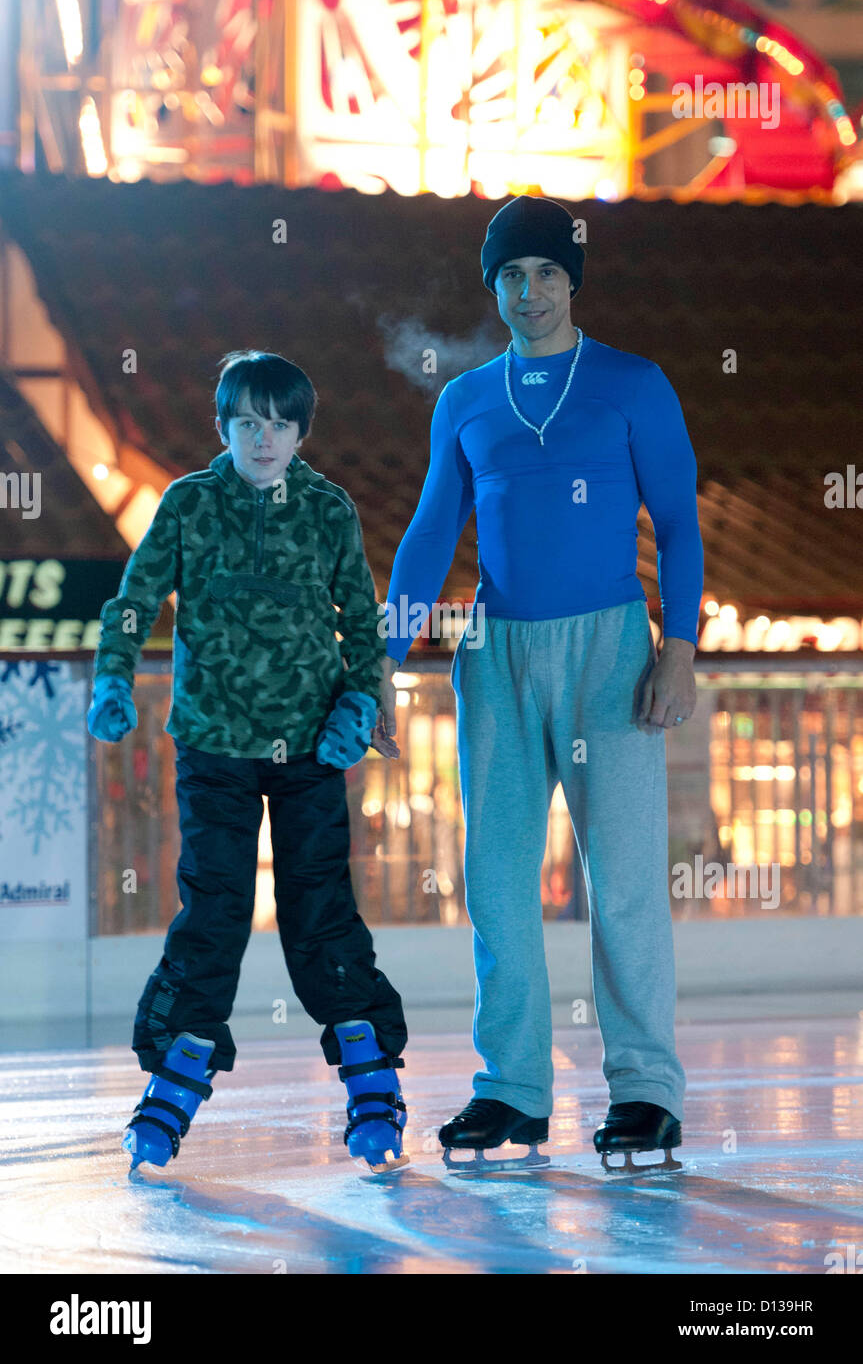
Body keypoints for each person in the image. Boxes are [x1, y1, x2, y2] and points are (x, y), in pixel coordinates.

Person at [376, 196, 704, 1172]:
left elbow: (679, 522)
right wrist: (384, 663)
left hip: (610, 651)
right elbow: (431, 536)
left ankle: (643, 1089)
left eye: (544, 274)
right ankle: (511, 1091)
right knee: (496, 883)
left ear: (570, 280)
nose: (527, 292)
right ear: (495, 288)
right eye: (509, 277)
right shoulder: (466, 400)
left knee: (626, 880)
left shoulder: (630, 384)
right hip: (497, 653)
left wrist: (677, 645)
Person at [87, 350, 409, 1175]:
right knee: (216, 909)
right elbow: (132, 601)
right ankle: (176, 1074)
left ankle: (369, 1070)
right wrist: (113, 682)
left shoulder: (328, 510)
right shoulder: (190, 504)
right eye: (247, 423)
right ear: (222, 427)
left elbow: (363, 627)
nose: (262, 439)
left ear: (302, 432)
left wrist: (357, 705)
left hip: (308, 749)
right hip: (214, 748)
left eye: (279, 424)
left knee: (318, 910)